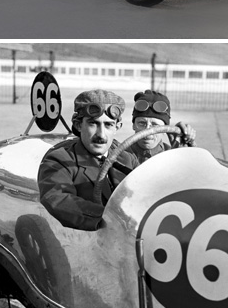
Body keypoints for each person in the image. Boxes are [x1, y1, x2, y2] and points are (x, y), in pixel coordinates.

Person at [38, 89, 139, 231]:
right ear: (78, 125)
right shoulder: (60, 160)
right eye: (93, 123)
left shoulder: (126, 157)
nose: (101, 134)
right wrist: (112, 217)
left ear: (117, 127)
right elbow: (57, 199)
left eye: (108, 125)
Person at [127, 90, 196, 164]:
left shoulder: (172, 155)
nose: (147, 131)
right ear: (133, 125)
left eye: (155, 125)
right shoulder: (120, 156)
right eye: (141, 123)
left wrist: (184, 153)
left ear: (165, 129)